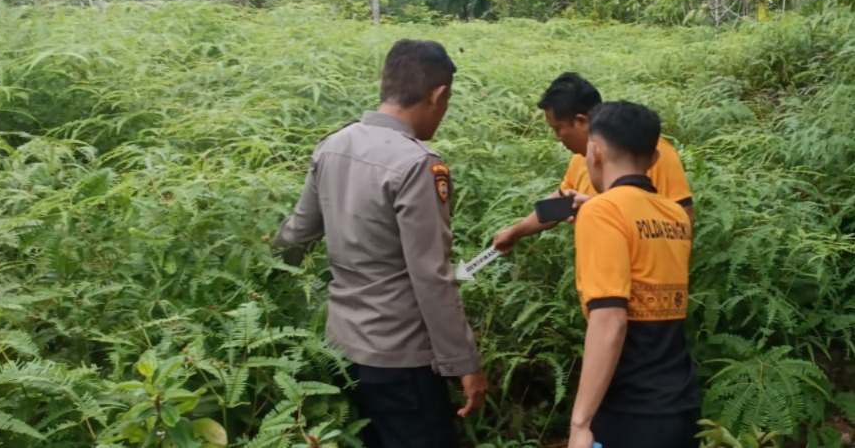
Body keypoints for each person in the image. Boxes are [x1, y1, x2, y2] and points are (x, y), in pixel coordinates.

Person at [271, 38, 488, 448]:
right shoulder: (417, 164)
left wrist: (262, 289)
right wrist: (464, 363)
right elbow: (431, 277)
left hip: (341, 348)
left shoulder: (334, 145)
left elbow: (295, 234)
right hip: (400, 356)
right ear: (438, 95)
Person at [566, 100, 701, 448]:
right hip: (681, 405)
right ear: (654, 158)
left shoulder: (602, 213)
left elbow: (610, 319)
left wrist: (580, 422)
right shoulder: (675, 215)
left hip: (628, 411)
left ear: (595, 152)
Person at [492, 72, 694, 254]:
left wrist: (600, 212)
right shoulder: (580, 159)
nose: (558, 138)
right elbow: (559, 204)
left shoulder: (644, 151)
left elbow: (682, 222)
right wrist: (514, 233)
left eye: (558, 129)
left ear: (581, 121)